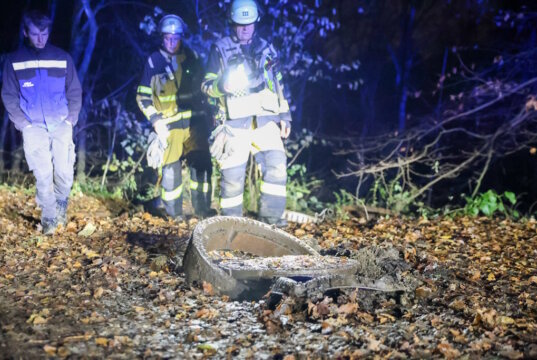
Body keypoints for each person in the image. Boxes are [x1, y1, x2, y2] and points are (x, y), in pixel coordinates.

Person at [201, 0, 292, 227]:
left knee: (277, 166)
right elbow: (205, 85)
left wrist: (285, 115)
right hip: (234, 121)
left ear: (255, 22)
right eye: (240, 24)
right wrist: (221, 85)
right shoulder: (219, 49)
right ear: (232, 23)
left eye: (249, 24)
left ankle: (272, 224)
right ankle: (230, 229)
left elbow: (278, 83)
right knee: (232, 177)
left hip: (265, 119)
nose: (245, 28)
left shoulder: (267, 48)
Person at [1, 10, 82, 235]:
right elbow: (9, 95)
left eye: (44, 33)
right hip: (32, 125)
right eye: (35, 34)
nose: (40, 38)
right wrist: (23, 124)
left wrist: (70, 119)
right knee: (43, 172)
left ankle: (61, 205)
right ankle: (49, 218)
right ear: (26, 32)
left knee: (64, 171)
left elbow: (75, 91)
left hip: (61, 122)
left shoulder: (62, 58)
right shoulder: (14, 61)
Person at [136, 14, 214, 220]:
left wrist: (213, 115)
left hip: (195, 121)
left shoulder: (191, 57)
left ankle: (203, 210)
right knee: (171, 168)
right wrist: (155, 120)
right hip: (169, 125)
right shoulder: (154, 61)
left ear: (181, 37)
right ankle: (174, 214)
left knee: (202, 164)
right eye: (167, 38)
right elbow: (143, 96)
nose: (172, 42)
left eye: (175, 38)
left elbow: (205, 88)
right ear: (162, 38)